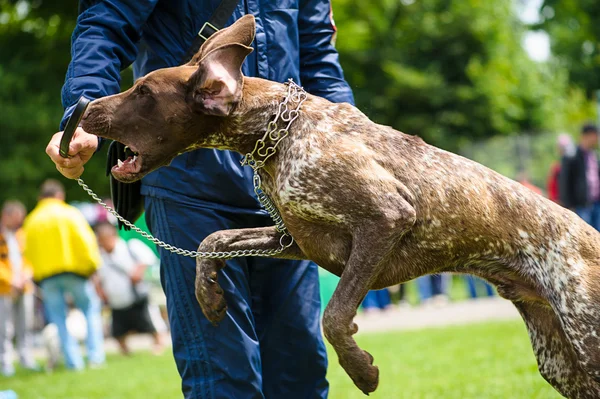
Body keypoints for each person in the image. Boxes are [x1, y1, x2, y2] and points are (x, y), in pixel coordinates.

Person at [45, 2, 354, 398]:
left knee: (301, 376)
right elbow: (105, 24)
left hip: (285, 187)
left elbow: (317, 57)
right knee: (223, 380)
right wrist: (83, 115)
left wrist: (350, 143)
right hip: (189, 184)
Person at [22, 179, 105, 370]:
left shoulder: (31, 220)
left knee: (58, 318)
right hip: (75, 273)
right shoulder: (70, 213)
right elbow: (86, 243)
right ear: (59, 195)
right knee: (90, 310)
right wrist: (93, 267)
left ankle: (73, 362)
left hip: (47, 278)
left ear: (40, 197)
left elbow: (27, 252)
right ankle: (95, 357)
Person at [94, 222, 164, 356]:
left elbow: (148, 259)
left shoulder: (130, 246)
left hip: (136, 295)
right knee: (118, 330)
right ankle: (125, 352)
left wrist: (138, 272)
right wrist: (100, 291)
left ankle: (158, 345)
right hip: (116, 299)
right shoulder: (100, 256)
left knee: (150, 322)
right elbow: (97, 277)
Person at [0, 201, 38, 377]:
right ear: (6, 216)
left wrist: (26, 275)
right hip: (4, 289)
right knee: (4, 328)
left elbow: (30, 258)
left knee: (26, 325)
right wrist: (10, 280)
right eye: (16, 219)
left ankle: (26, 358)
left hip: (24, 287)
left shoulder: (22, 235)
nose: (18, 223)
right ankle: (5, 361)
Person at [559, 124, 600, 230]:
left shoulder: (593, 155)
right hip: (581, 205)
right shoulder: (572, 156)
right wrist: (568, 206)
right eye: (595, 136)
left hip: (596, 203)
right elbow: (564, 182)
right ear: (586, 136)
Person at [547, 134, 575, 204]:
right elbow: (552, 184)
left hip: (568, 201)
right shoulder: (557, 166)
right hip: (558, 200)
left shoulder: (571, 165)